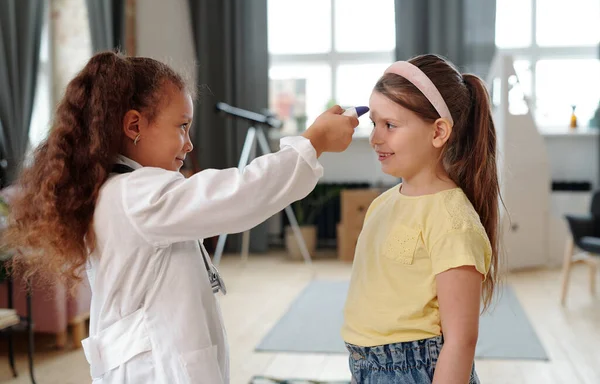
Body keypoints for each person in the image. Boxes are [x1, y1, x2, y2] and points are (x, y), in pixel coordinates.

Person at [2, 51, 359, 383]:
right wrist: (314, 142)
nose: (188, 144)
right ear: (134, 126)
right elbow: (239, 194)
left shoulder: (124, 190)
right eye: (181, 126)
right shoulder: (134, 194)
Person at [342, 54, 501, 384]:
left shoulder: (453, 221)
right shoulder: (383, 204)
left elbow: (460, 341)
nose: (375, 138)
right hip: (367, 367)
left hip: (415, 371)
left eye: (390, 125)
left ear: (439, 131)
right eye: (374, 124)